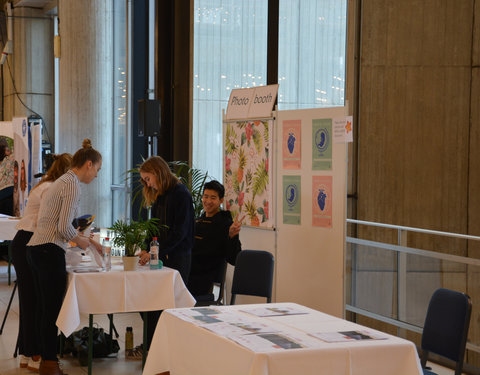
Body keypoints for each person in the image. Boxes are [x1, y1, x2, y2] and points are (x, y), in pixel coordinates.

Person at [26, 139, 102, 375]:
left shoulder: (61, 180)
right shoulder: (72, 184)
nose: (96, 176)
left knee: (44, 309)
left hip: (37, 248)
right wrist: (87, 243)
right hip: (48, 249)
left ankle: (47, 361)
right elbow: (63, 228)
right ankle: (49, 364)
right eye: (97, 170)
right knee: (51, 311)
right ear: (88, 164)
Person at [11, 153, 72, 372]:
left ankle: (28, 353)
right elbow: (47, 220)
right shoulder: (52, 188)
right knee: (36, 302)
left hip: (23, 241)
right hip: (32, 240)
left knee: (30, 301)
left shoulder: (44, 184)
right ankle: (35, 353)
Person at [137, 155, 194, 354]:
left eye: (148, 178)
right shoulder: (161, 195)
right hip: (161, 254)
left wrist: (158, 251)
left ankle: (172, 349)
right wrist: (146, 247)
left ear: (157, 172)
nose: (147, 183)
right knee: (151, 301)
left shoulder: (181, 194)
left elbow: (180, 232)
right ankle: (154, 347)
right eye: (145, 180)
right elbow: (154, 227)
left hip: (178, 256)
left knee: (171, 304)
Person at [187, 180, 242, 297]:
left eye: (213, 198)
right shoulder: (197, 221)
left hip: (204, 278)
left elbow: (234, 258)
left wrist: (232, 236)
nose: (208, 201)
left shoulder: (225, 224)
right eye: (205, 197)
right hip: (189, 273)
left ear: (221, 200)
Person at [0, 143, 15, 215]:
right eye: (7, 150)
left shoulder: (4, 162)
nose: (10, 151)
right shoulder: (8, 159)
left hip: (5, 190)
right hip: (8, 188)